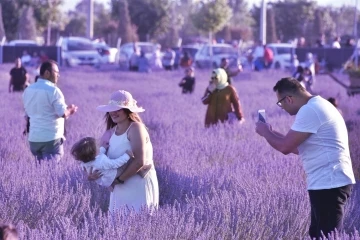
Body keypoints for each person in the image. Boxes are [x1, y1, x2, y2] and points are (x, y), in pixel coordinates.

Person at [255, 77, 355, 240]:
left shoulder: (310, 110)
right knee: (318, 235)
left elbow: (285, 147)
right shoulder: (318, 105)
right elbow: (297, 147)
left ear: (289, 98)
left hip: (329, 183)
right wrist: (271, 132)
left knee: (326, 236)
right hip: (327, 182)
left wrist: (264, 132)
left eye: (281, 103)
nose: (282, 108)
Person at [86, 90, 159, 212]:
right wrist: (92, 173)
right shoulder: (109, 133)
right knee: (118, 226)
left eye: (118, 109)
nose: (113, 113)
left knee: (140, 223)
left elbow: (139, 162)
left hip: (137, 184)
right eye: (112, 109)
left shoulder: (136, 128)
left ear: (128, 110)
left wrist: (118, 181)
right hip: (119, 186)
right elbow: (100, 159)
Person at [22, 60, 78, 162]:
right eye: (56, 73)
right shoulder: (53, 90)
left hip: (34, 140)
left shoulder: (28, 90)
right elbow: (63, 113)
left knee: (39, 173)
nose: (58, 76)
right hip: (50, 139)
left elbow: (27, 115)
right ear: (47, 73)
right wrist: (70, 109)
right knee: (51, 173)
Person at [71, 137, 152, 189]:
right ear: (94, 152)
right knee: (128, 163)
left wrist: (103, 148)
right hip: (112, 175)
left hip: (102, 180)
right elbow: (115, 164)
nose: (99, 146)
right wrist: (126, 156)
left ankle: (111, 184)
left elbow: (99, 154)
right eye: (97, 146)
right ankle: (142, 171)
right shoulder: (101, 161)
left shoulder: (85, 162)